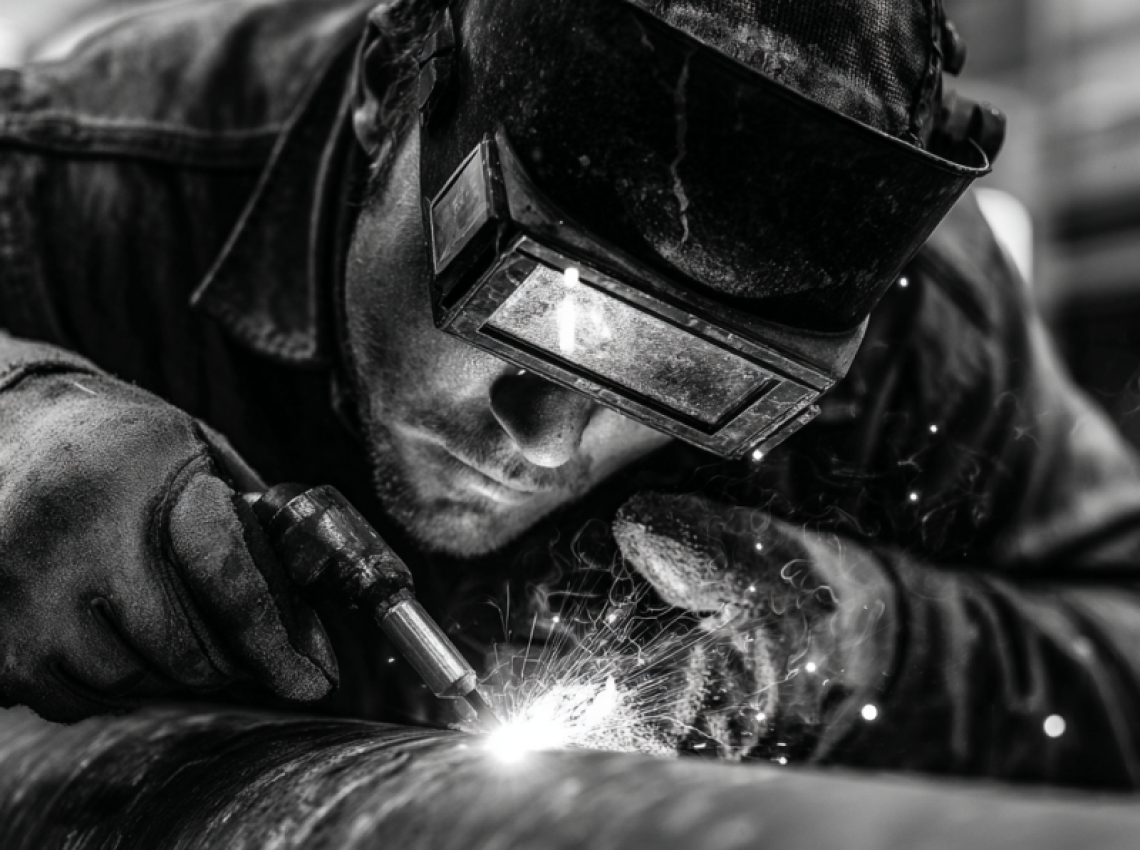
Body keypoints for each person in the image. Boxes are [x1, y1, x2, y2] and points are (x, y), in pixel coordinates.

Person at [1, 0, 1139, 789]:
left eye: (691, 372)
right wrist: (19, 414)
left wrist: (865, 643)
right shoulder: (79, 177)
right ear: (387, 92)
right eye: (531, 301)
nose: (544, 443)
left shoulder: (919, 318)